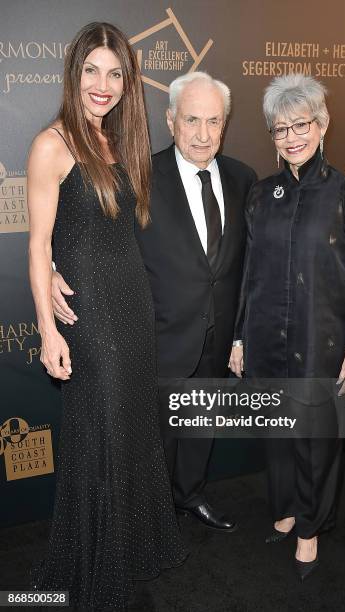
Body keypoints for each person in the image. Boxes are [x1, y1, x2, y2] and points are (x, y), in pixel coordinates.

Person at [52, 71, 257, 532]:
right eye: (192, 121)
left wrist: (240, 334)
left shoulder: (245, 179)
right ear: (170, 121)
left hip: (219, 335)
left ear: (224, 124)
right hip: (156, 336)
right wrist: (49, 269)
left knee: (201, 429)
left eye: (214, 122)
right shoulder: (138, 176)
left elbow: (251, 265)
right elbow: (89, 232)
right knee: (153, 441)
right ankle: (152, 517)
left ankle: (191, 494)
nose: (203, 134)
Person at [27, 22, 186, 609]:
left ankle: (129, 548)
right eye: (91, 70)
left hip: (132, 305)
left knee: (131, 434)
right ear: (74, 73)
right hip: (90, 315)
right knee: (102, 437)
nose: (103, 84)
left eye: (115, 73)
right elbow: (38, 241)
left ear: (128, 82)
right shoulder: (54, 143)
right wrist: (47, 327)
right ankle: (93, 563)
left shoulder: (118, 141)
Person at [229, 74, 345, 580]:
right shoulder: (259, 195)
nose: (292, 137)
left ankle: (310, 529)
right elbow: (248, 272)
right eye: (280, 129)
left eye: (302, 124)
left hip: (324, 344)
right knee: (278, 436)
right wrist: (237, 336)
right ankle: (289, 506)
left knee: (317, 440)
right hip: (267, 340)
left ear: (323, 125)